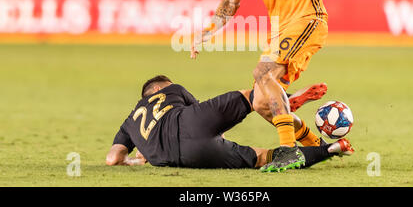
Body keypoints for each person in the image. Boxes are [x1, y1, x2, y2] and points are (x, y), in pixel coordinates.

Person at [190, 0, 389, 172]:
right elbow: (231, 0)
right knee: (261, 102)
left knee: (263, 74)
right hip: (280, 31)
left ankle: (288, 149)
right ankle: (313, 143)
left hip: (309, 20)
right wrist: (209, 30)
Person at [106, 75, 354, 171]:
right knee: (251, 96)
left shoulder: (129, 121)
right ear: (158, 88)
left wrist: (139, 157)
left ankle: (331, 148)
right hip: (190, 122)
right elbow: (207, 118)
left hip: (185, 159)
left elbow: (113, 158)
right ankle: (284, 100)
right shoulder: (172, 89)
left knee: (262, 158)